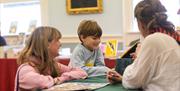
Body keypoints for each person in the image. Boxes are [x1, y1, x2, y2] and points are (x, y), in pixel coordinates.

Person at [107, 0, 180, 91]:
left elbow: (133, 80)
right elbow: (155, 77)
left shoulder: (153, 40)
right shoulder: (170, 38)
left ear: (140, 23)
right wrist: (122, 79)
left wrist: (138, 56)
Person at [15, 26, 87, 91]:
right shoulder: (26, 68)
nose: (60, 44)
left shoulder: (51, 64)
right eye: (57, 40)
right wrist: (56, 81)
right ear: (47, 44)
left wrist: (62, 78)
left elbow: (82, 72)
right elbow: (40, 82)